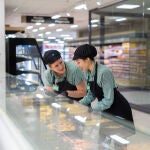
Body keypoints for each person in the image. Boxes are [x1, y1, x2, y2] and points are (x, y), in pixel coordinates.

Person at [73, 44, 134, 124]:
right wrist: (80, 103)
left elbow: (108, 100)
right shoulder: (87, 73)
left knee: (116, 135)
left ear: (87, 59)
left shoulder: (104, 72)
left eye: (78, 62)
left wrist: (92, 110)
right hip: (105, 108)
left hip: (118, 109)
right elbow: (91, 94)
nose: (78, 66)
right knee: (105, 134)